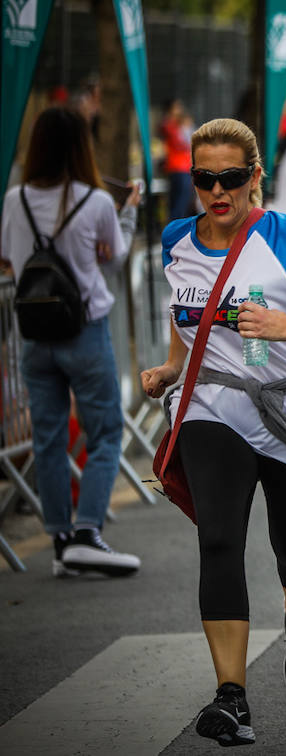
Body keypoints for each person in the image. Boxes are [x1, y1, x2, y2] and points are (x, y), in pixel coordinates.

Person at [139, 118, 286, 748]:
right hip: (213, 409)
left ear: (255, 178)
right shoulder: (176, 241)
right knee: (219, 539)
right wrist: (172, 368)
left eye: (232, 178)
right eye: (205, 179)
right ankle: (232, 696)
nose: (219, 191)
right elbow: (185, 315)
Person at [0, 106, 142, 577]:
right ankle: (86, 535)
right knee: (105, 433)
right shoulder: (97, 201)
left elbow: (7, 261)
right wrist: (129, 214)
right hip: (85, 331)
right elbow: (115, 258)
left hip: (33, 338)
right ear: (81, 147)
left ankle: (60, 540)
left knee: (49, 438)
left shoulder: (14, 199)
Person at [160, 98, 195, 220]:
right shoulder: (169, 125)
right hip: (178, 167)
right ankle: (175, 228)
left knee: (180, 201)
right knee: (179, 202)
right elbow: (181, 143)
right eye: (176, 107)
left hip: (183, 167)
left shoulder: (178, 125)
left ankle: (176, 226)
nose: (179, 110)